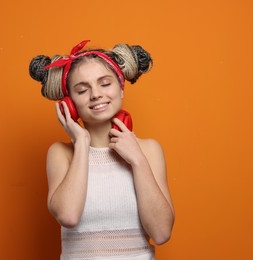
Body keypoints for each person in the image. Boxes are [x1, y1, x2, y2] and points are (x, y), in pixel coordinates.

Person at [29, 40, 174, 260]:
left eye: (105, 84)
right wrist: (81, 143)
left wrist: (137, 160)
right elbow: (68, 215)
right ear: (70, 103)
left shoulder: (149, 150)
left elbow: (161, 232)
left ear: (121, 88)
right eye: (82, 90)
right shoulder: (61, 153)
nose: (96, 94)